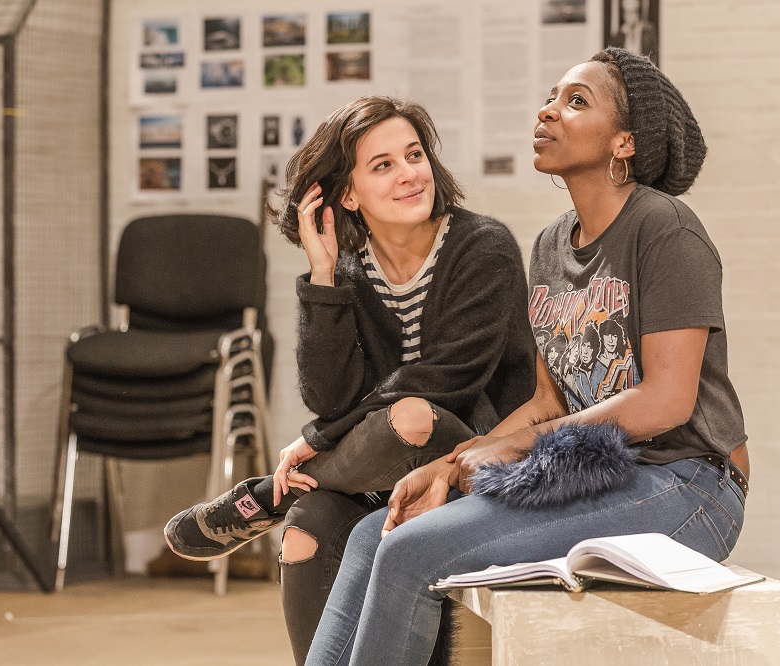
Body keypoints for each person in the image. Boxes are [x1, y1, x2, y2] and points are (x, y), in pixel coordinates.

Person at [304, 47, 749, 665]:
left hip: (689, 482)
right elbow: (548, 402)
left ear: (624, 142)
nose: (547, 111)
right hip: (589, 473)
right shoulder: (548, 247)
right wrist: (451, 465)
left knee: (411, 554)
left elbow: (665, 400)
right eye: (551, 96)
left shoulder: (665, 229)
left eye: (575, 101)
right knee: (370, 537)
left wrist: (504, 449)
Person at [163, 96, 536, 664]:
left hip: (478, 451)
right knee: (304, 530)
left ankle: (267, 495)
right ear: (348, 194)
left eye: (414, 155)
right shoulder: (349, 270)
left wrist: (316, 440)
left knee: (412, 412)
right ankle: (288, 506)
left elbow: (450, 379)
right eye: (382, 164)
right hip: (376, 463)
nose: (410, 173)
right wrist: (321, 274)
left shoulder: (483, 248)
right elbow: (329, 395)